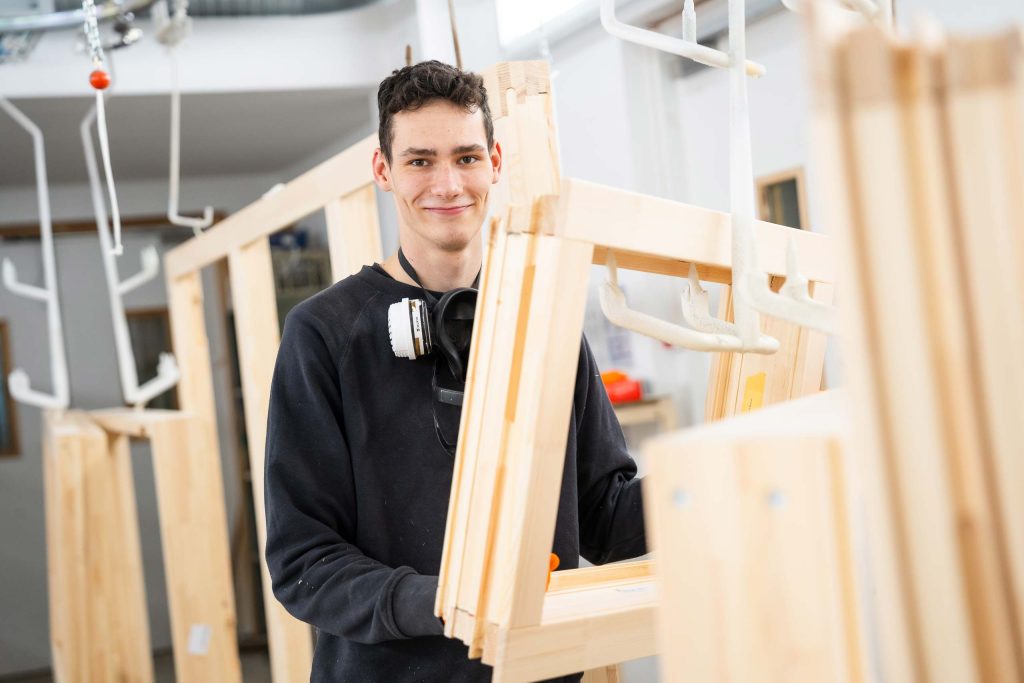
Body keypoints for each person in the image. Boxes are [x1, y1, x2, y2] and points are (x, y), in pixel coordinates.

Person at [264, 60, 646, 683]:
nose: (448, 184)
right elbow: (303, 562)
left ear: (496, 161)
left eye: (467, 157)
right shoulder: (325, 334)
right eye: (420, 161)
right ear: (383, 170)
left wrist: (719, 473)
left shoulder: (542, 324)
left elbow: (605, 519)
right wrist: (451, 604)